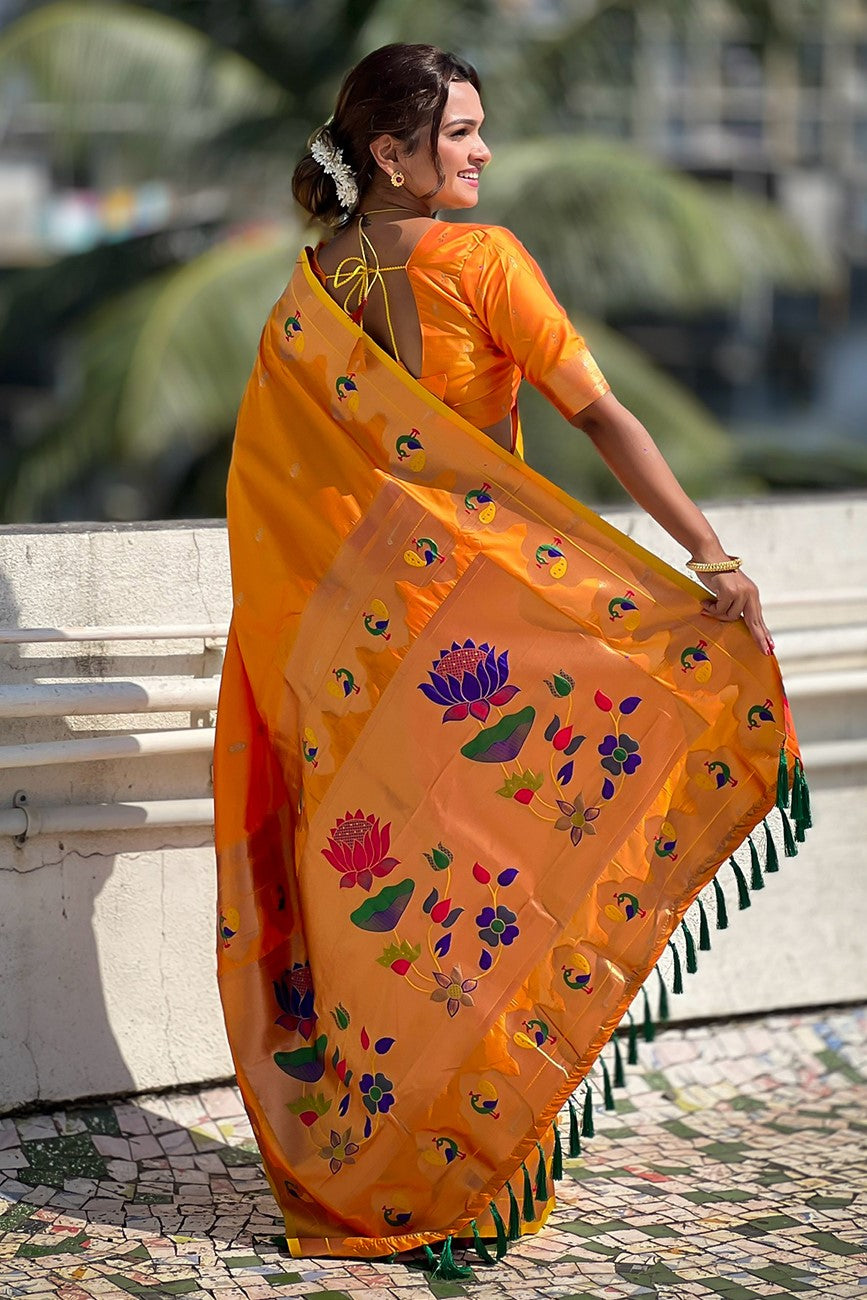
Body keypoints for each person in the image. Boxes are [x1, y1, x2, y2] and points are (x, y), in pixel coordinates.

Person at [213, 42, 809, 1276]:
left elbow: (282, 495)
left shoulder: (311, 285)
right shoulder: (482, 261)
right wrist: (706, 557)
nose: (482, 153)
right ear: (393, 152)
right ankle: (464, 1170)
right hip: (475, 641)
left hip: (348, 664)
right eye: (463, 132)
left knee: (384, 904)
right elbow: (599, 413)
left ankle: (378, 1172)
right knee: (487, 879)